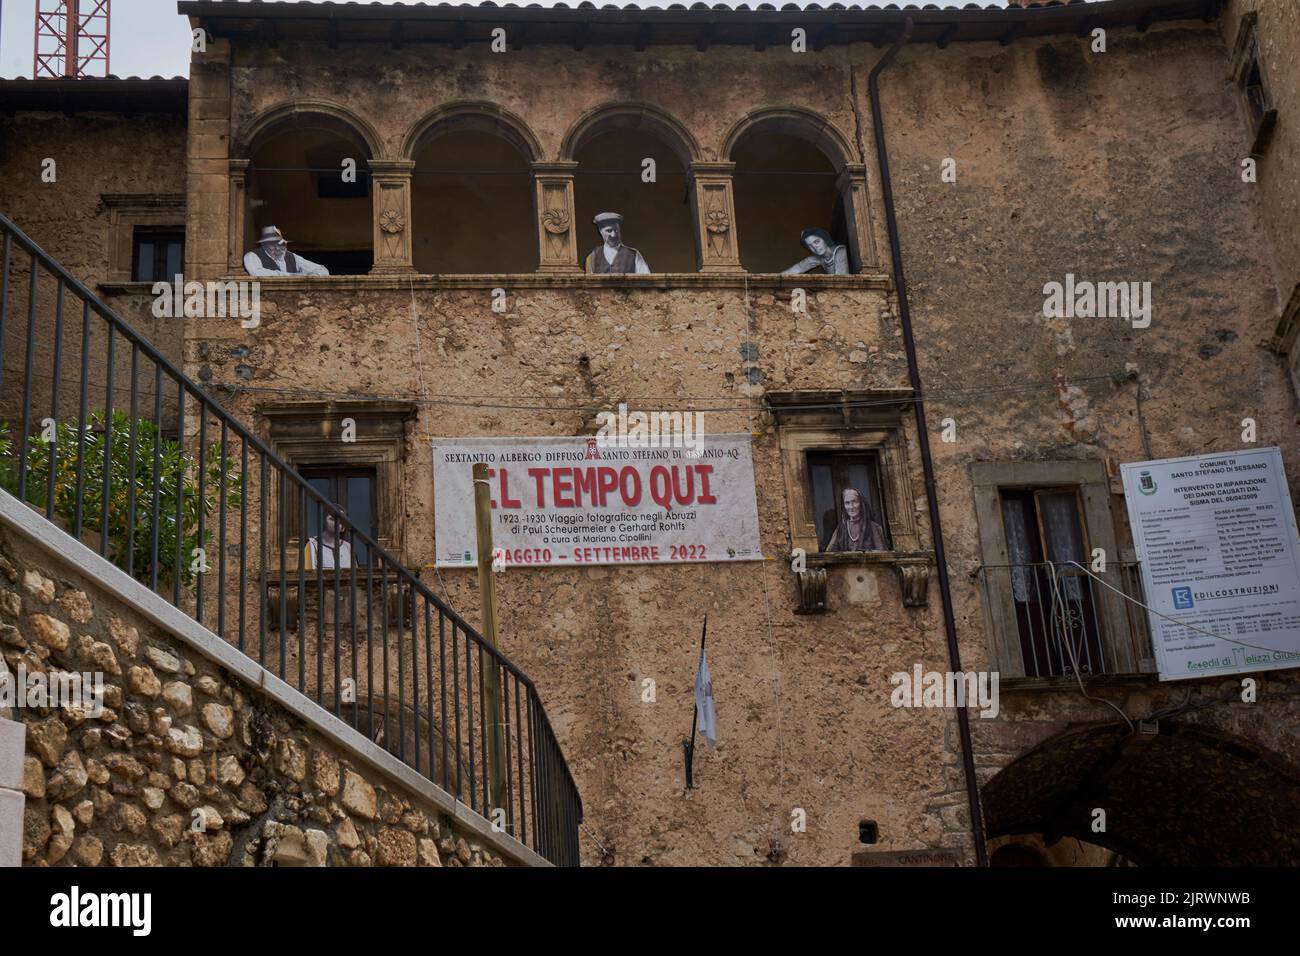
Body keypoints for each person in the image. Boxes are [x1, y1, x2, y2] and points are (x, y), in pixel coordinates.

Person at [243, 225, 330, 276]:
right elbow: (257, 273)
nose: (277, 247)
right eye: (272, 244)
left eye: (280, 243)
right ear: (263, 244)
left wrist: (313, 276)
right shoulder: (252, 256)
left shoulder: (292, 257)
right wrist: (295, 276)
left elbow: (322, 270)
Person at [585, 212, 651, 274]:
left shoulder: (634, 255)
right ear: (600, 231)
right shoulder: (592, 257)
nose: (613, 235)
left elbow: (647, 281)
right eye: (609, 231)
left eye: (616, 230)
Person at [826, 487, 887, 552]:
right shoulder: (841, 529)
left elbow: (883, 552)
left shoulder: (873, 527)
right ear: (844, 506)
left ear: (861, 503)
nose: (851, 507)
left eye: (854, 502)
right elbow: (829, 552)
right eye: (847, 503)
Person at [782, 227, 850, 276]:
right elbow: (798, 268)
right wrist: (774, 279)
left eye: (816, 242)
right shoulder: (819, 257)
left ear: (825, 239)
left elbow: (841, 279)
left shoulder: (840, 251)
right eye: (810, 246)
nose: (815, 247)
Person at [303, 505, 352, 570]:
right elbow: (308, 574)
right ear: (324, 521)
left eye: (341, 520)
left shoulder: (348, 547)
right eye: (332, 519)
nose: (337, 522)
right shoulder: (312, 545)